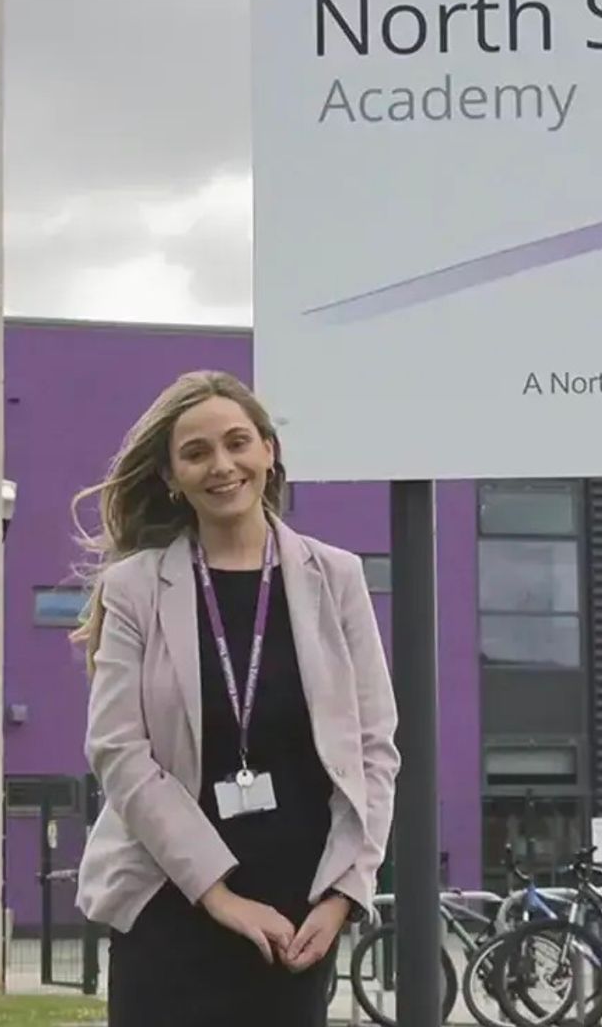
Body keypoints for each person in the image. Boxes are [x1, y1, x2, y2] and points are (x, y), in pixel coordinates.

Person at [70, 370, 399, 1027]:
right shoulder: (134, 588)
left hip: (297, 911)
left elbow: (373, 751)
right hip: (168, 897)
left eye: (237, 442)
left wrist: (342, 895)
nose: (221, 465)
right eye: (196, 452)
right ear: (171, 475)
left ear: (268, 451)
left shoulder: (336, 577)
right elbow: (119, 752)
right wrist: (218, 895)